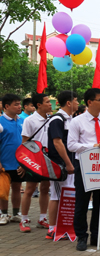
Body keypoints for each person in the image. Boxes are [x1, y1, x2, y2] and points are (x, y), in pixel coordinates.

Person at [67, 88, 100, 251]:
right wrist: (93, 146)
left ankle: (97, 236)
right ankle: (81, 236)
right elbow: (71, 145)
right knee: (81, 203)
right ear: (89, 102)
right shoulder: (77, 121)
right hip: (84, 166)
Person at [45, 91, 78, 239]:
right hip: (59, 165)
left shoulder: (70, 119)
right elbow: (57, 142)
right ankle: (52, 229)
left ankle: (64, 227)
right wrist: (68, 163)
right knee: (56, 196)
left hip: (69, 164)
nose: (78, 104)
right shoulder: (57, 119)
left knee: (67, 195)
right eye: (76, 101)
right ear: (69, 103)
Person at [18, 93, 52, 232]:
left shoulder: (52, 119)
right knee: (30, 189)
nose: (50, 104)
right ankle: (24, 220)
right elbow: (25, 142)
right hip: (33, 159)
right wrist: (24, 162)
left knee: (45, 189)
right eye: (48, 102)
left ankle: (42, 218)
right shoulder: (30, 121)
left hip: (48, 159)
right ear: (39, 105)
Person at [0, 94, 23, 226]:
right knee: (3, 190)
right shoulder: (0, 122)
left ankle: (15, 214)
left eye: (19, 104)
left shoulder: (22, 121)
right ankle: (3, 214)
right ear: (7, 106)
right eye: (16, 104)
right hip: (4, 163)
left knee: (17, 187)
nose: (19, 106)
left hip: (19, 163)